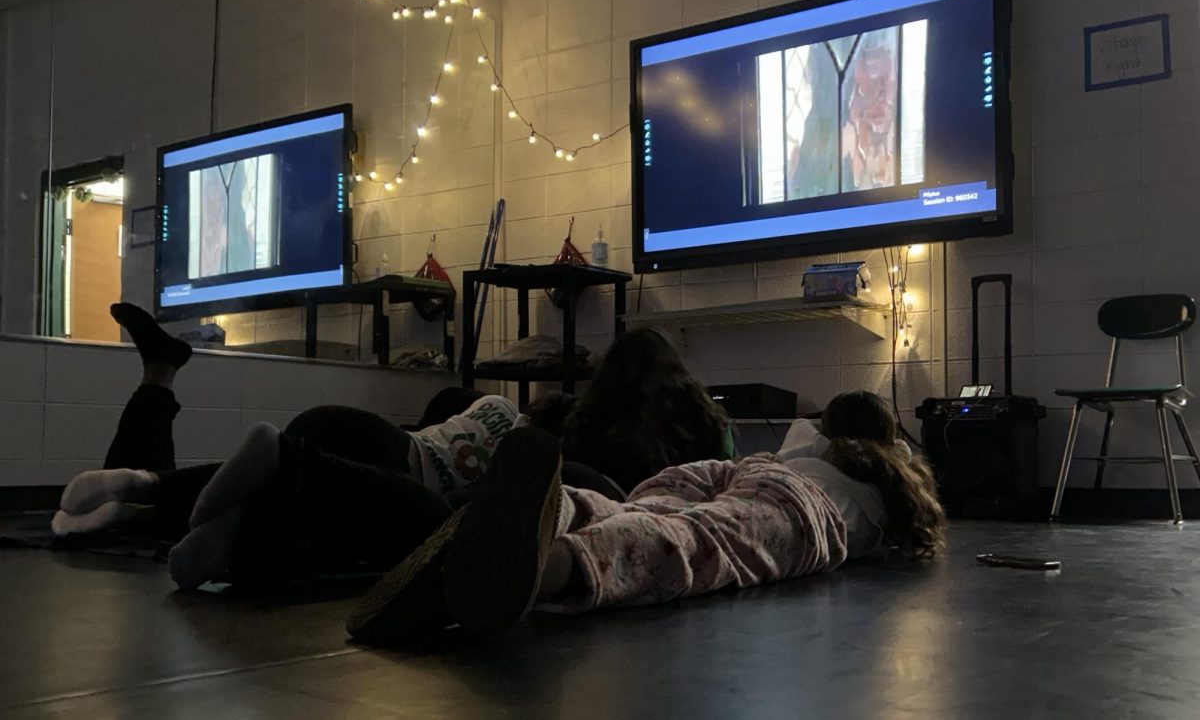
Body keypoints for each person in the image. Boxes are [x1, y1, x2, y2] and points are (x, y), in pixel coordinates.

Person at [346, 391, 946, 643]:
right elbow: (915, 534)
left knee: (638, 508)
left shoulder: (807, 445)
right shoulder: (888, 479)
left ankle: (558, 513)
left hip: (732, 469)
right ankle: (547, 566)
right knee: (693, 542)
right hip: (797, 509)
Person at [52, 303, 517, 589]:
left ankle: (140, 487)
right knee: (279, 492)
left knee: (245, 482)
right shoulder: (507, 445)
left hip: (353, 433)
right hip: (377, 454)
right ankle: (154, 502)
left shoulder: (473, 415)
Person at [560, 327, 734, 496]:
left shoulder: (590, 415)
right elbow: (722, 471)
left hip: (603, 513)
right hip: (680, 513)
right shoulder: (699, 412)